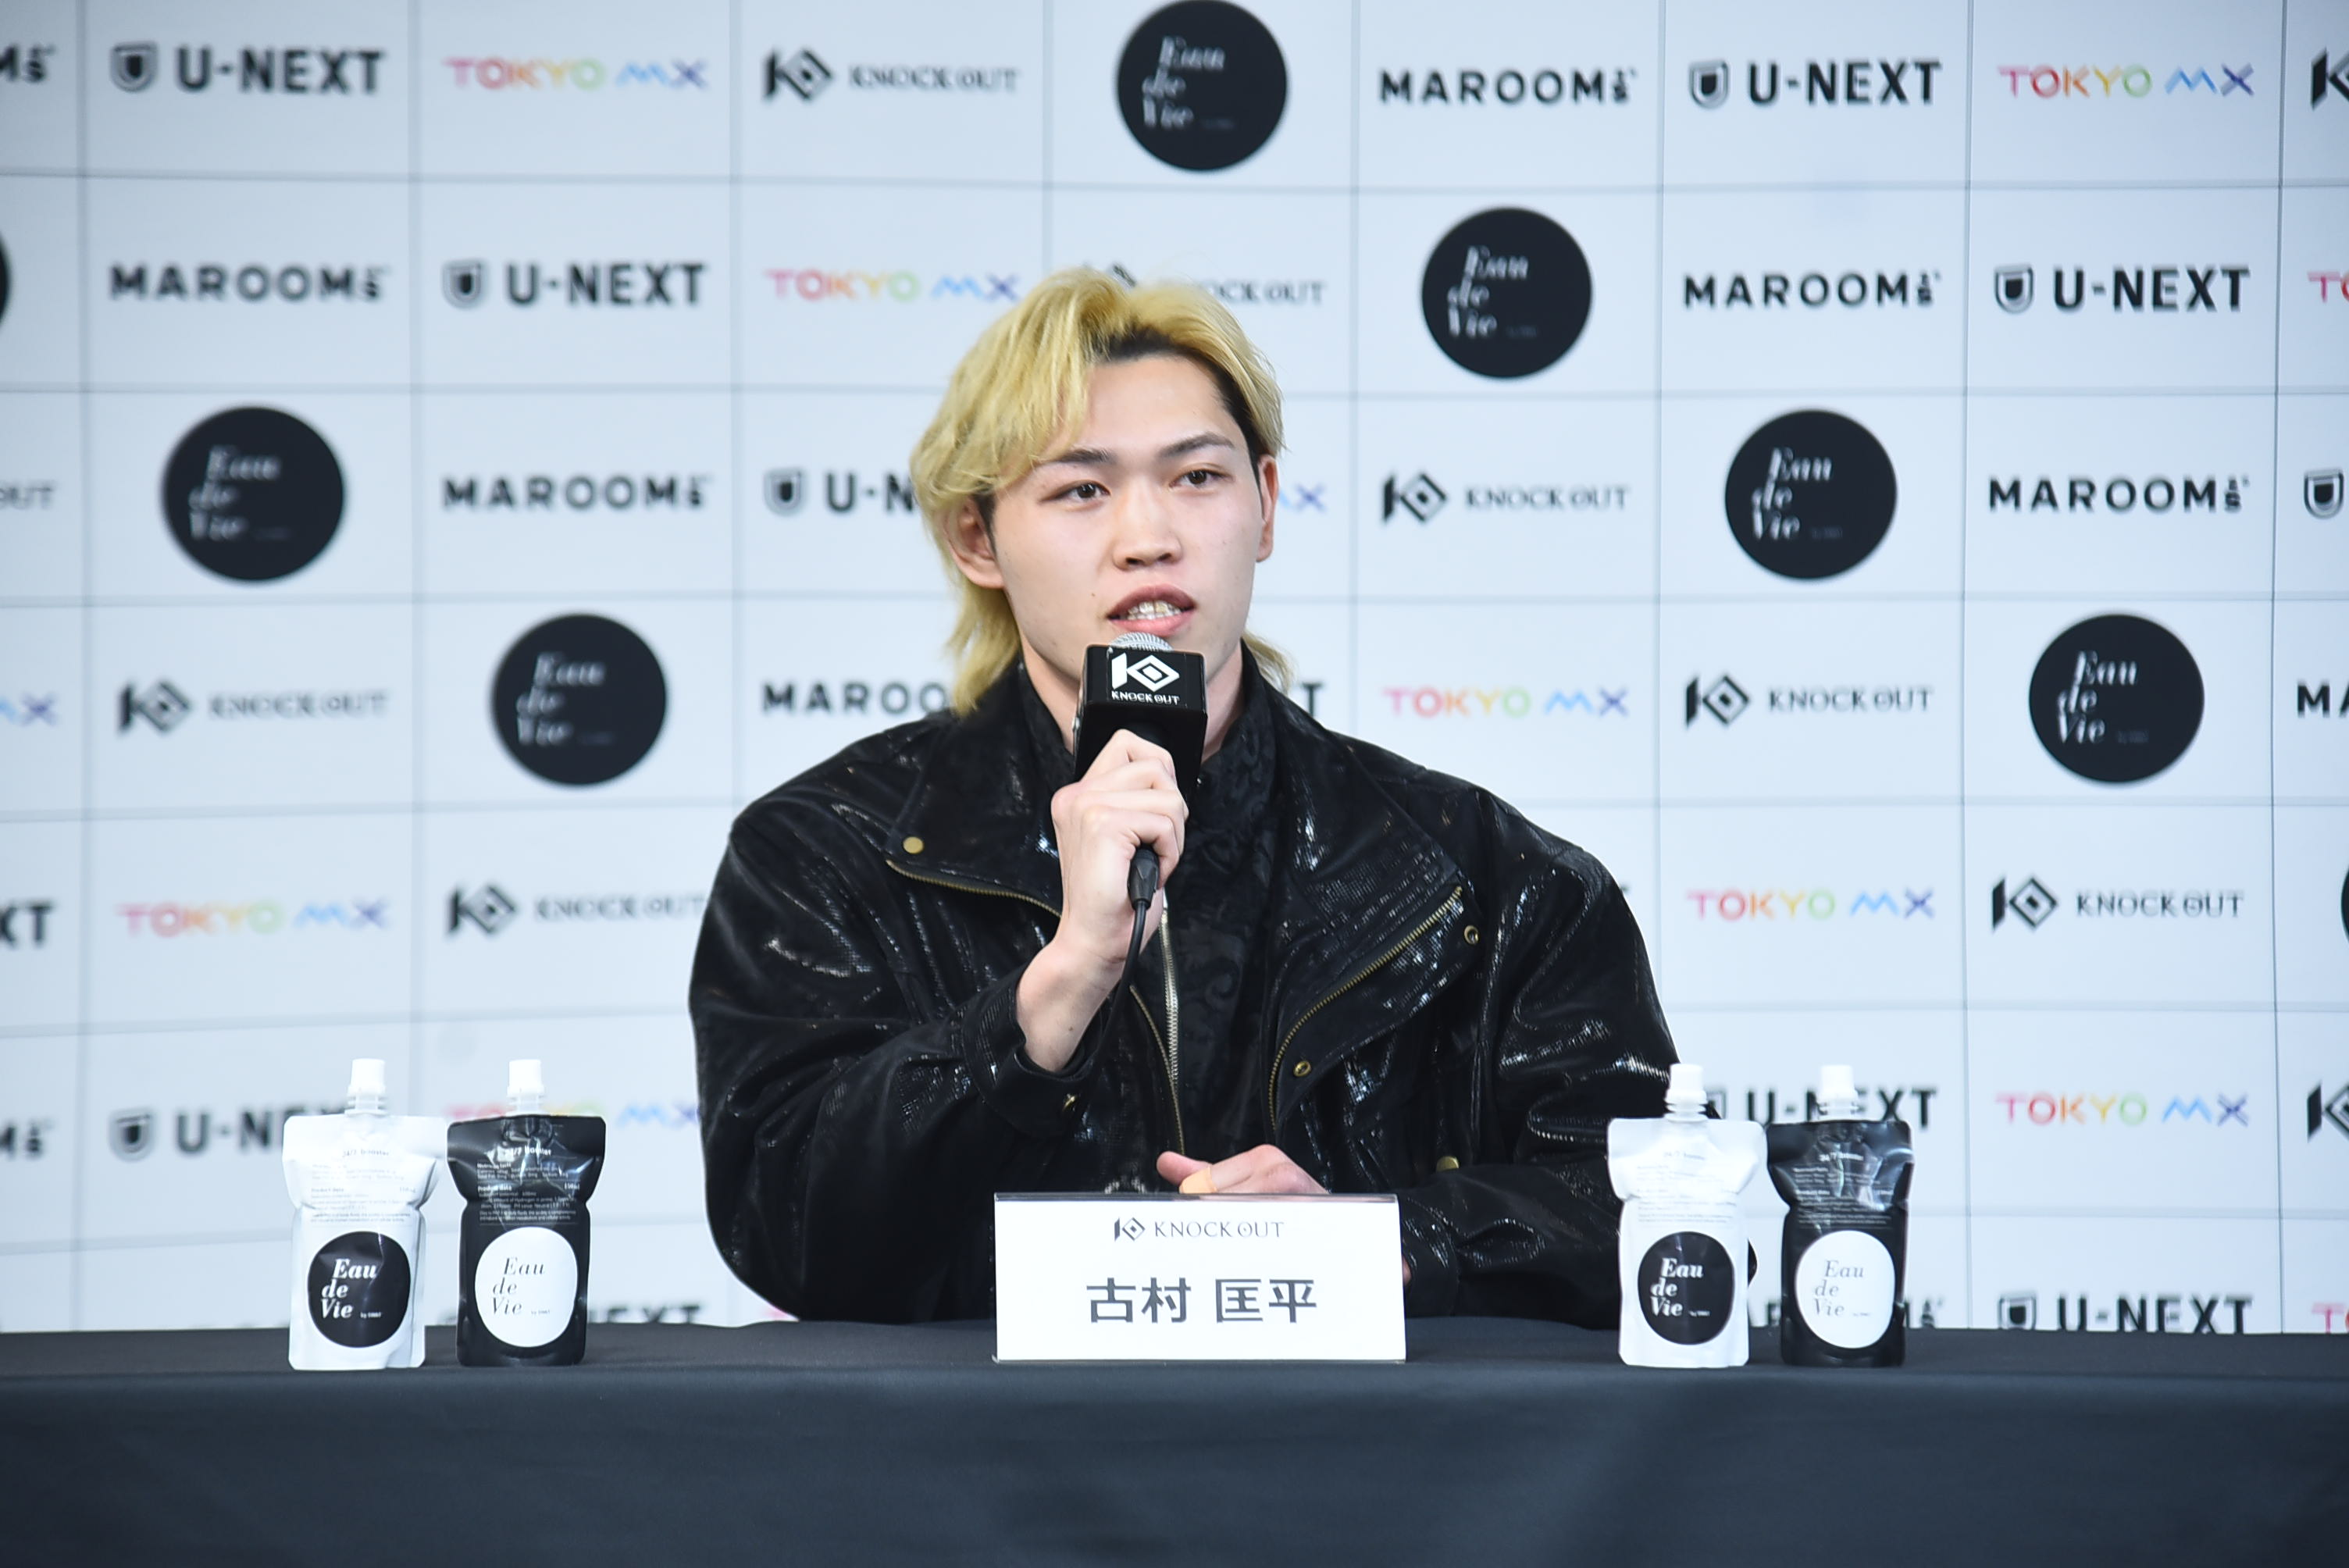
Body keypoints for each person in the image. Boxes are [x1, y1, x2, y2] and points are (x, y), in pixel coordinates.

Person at [691, 268, 1674, 1324]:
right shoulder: (827, 852)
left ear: (1266, 505)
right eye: (1081, 489)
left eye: (1197, 477)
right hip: (983, 1433)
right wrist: (1051, 995)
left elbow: (1653, 1214)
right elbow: (788, 1229)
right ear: (976, 538)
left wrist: (1386, 1242)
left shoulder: (1485, 874)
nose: (1148, 536)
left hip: (1367, 1433)